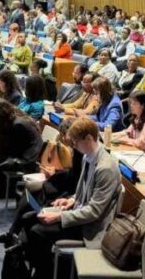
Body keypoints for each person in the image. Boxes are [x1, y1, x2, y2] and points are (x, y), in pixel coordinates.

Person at [22, 118, 120, 279]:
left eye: (75, 142)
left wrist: (59, 216)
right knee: (29, 218)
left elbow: (94, 212)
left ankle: (43, 273)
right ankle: (36, 267)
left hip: (90, 227)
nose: (73, 146)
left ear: (89, 138)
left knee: (38, 231)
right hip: (79, 212)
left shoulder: (105, 169)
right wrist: (72, 200)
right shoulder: (87, 156)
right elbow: (83, 191)